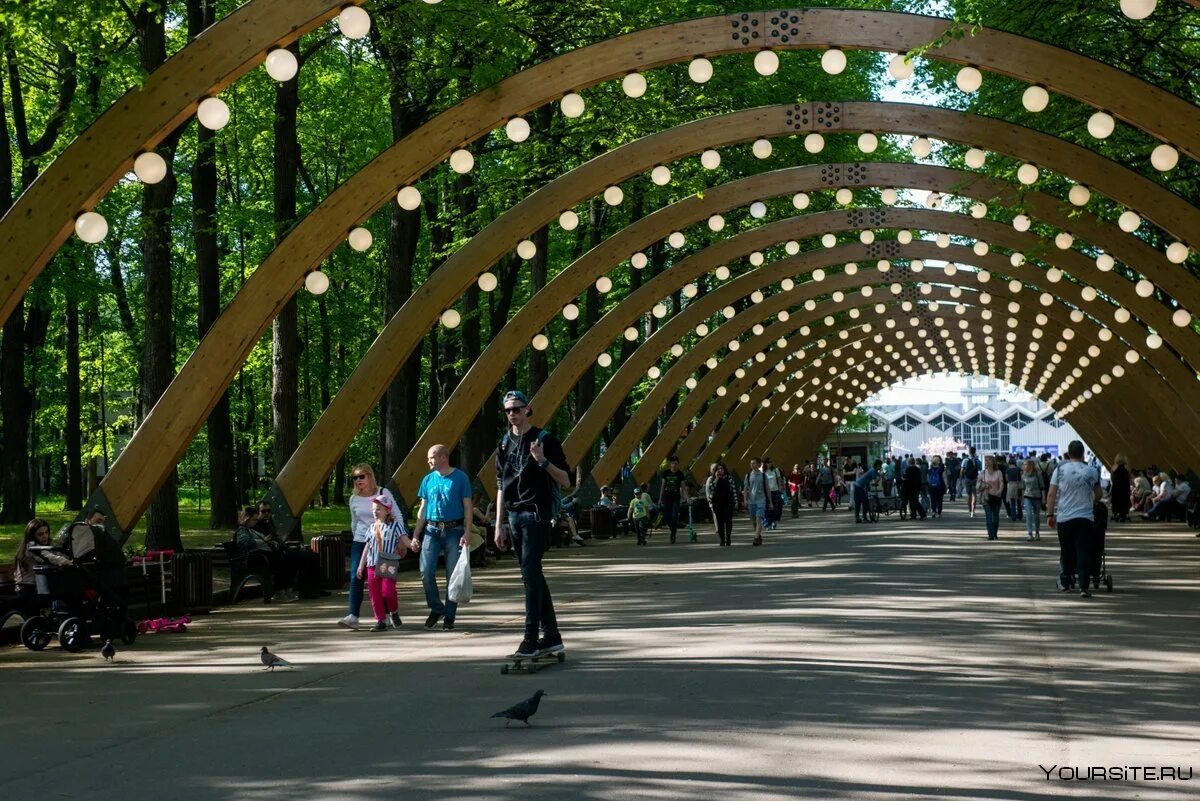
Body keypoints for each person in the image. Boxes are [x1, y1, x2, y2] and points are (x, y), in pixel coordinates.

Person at [494, 389, 571, 659]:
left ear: (528, 409)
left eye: (517, 408)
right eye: (508, 410)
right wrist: (498, 524)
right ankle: (552, 636)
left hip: (536, 515)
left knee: (530, 575)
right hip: (513, 516)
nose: (512, 414)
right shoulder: (504, 443)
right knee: (532, 575)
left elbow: (566, 480)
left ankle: (530, 638)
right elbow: (501, 485)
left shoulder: (545, 439)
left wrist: (542, 461)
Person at [411, 444, 473, 631]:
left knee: (452, 575)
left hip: (454, 530)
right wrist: (415, 534)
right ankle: (437, 608)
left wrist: (467, 531)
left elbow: (468, 506)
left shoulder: (460, 478)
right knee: (425, 571)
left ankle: (449, 616)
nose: (428, 460)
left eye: (431, 457)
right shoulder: (428, 480)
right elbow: (423, 509)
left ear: (443, 457)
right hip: (431, 530)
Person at [339, 463, 398, 630]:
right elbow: (354, 522)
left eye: (361, 476)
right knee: (355, 576)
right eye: (355, 477)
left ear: (370, 476)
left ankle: (387, 614)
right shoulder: (353, 499)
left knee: (383, 579)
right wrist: (357, 537)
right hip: (361, 540)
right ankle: (353, 616)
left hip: (382, 540)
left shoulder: (383, 493)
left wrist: (400, 540)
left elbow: (397, 515)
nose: (358, 480)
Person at [1047, 440, 1102, 597]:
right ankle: (1084, 586)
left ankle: (1065, 582)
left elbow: (1051, 494)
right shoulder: (1092, 471)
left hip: (1065, 518)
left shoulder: (1060, 470)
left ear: (1068, 454)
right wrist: (1092, 501)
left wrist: (1050, 514)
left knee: (1066, 551)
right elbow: (1099, 494)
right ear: (1082, 453)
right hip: (1085, 517)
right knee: (1083, 551)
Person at [356, 494, 412, 631]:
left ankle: (394, 611)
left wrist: (413, 545)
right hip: (372, 564)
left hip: (388, 563)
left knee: (388, 592)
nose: (375, 512)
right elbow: (367, 547)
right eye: (374, 509)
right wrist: (361, 565)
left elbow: (405, 540)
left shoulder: (395, 526)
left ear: (387, 510)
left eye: (379, 509)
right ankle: (380, 620)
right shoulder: (371, 528)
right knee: (375, 594)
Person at [12, 518, 72, 617]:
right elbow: (49, 557)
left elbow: (58, 555)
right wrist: (68, 562)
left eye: (46, 532)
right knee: (63, 596)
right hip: (27, 588)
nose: (44, 536)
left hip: (38, 587)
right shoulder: (32, 547)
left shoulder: (44, 545)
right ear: (32, 536)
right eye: (40, 534)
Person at [657, 456, 689, 544]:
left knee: (674, 516)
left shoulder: (680, 474)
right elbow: (663, 486)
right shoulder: (666, 473)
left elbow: (683, 486)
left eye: (675, 463)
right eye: (672, 463)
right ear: (670, 464)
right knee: (667, 517)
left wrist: (687, 497)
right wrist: (660, 499)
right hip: (667, 497)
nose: (674, 465)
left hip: (676, 497)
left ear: (678, 464)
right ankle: (673, 529)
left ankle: (673, 534)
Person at [709, 461, 738, 546]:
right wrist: (717, 479)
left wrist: (736, 501)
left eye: (722, 468)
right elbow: (711, 489)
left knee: (728, 520)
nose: (720, 470)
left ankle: (728, 537)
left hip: (728, 502)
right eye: (718, 469)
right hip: (717, 503)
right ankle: (722, 539)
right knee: (720, 521)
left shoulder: (729, 478)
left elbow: (733, 490)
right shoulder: (713, 479)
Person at [977, 456, 1005, 541]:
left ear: (993, 462)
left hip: (996, 497)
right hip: (986, 497)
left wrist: (1000, 491)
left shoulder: (998, 472)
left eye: (988, 461)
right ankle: (990, 534)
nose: (987, 463)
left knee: (995, 517)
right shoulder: (982, 473)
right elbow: (977, 486)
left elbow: (1001, 483)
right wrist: (984, 485)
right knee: (988, 516)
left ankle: (995, 533)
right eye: (986, 461)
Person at [743, 457, 766, 546]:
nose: (752, 465)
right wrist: (745, 499)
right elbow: (745, 488)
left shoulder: (763, 476)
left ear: (759, 464)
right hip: (751, 501)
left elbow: (767, 489)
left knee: (758, 519)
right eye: (751, 463)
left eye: (754, 463)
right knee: (753, 521)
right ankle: (758, 535)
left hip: (761, 500)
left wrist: (770, 501)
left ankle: (756, 538)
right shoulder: (748, 476)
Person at [1021, 459, 1043, 541]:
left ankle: (1037, 532)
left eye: (1025, 464)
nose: (1024, 466)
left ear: (1030, 465)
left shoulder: (1038, 474)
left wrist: (1044, 499)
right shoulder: (1023, 475)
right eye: (1024, 464)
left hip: (1037, 497)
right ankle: (1030, 533)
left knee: (1037, 516)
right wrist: (1022, 499)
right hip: (1027, 496)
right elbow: (1023, 488)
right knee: (1029, 515)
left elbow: (1042, 487)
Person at [762, 457, 785, 530]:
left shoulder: (775, 470)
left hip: (775, 491)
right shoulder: (763, 472)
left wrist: (780, 487)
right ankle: (767, 523)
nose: (770, 463)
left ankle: (774, 521)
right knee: (767, 508)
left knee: (776, 508)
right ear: (765, 463)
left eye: (771, 462)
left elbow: (779, 479)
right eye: (768, 462)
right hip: (766, 492)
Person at [901, 456, 925, 521]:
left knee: (913, 502)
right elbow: (919, 479)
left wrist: (903, 479)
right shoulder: (917, 469)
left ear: (908, 462)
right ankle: (914, 515)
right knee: (914, 502)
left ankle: (920, 514)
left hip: (910, 488)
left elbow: (907, 479)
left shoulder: (908, 469)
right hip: (916, 488)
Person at [1109, 454, 1131, 522]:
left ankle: (1115, 514)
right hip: (1125, 487)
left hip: (1116, 486)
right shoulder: (1127, 467)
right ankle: (1123, 515)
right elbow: (1129, 477)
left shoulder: (1113, 467)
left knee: (1116, 500)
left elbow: (1112, 478)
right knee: (1124, 500)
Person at [961, 448, 981, 518]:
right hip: (975, 479)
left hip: (967, 479)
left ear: (969, 452)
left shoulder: (965, 460)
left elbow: (962, 470)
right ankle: (973, 511)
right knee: (974, 495)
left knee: (969, 495)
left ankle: (970, 511)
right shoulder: (977, 460)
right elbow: (980, 469)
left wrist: (961, 478)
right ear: (975, 452)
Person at [1005, 456, 1023, 521]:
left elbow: (1007, 479)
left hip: (1010, 486)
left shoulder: (1007, 470)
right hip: (1018, 485)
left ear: (1009, 463)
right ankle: (1020, 515)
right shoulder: (1018, 469)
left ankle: (1013, 517)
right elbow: (1022, 477)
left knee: (1012, 503)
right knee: (1019, 502)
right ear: (1015, 463)